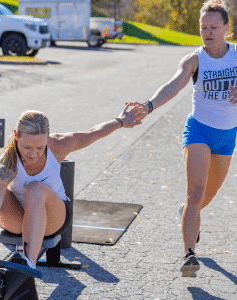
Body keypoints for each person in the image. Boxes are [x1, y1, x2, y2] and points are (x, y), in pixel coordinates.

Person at [126, 0, 237, 277]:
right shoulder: (194, 60)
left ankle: (186, 212)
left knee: (208, 195)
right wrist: (149, 105)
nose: (207, 32)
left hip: (227, 135)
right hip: (199, 130)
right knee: (196, 192)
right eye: (203, 27)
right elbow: (173, 85)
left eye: (213, 27)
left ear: (226, 27)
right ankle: (189, 254)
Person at [0, 106, 144, 268]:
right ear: (16, 136)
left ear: (48, 137)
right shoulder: (7, 163)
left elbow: (93, 133)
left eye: (39, 147)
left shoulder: (59, 145)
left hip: (54, 217)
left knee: (34, 188)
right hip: (16, 220)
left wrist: (121, 121)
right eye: (27, 147)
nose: (33, 154)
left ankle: (28, 262)